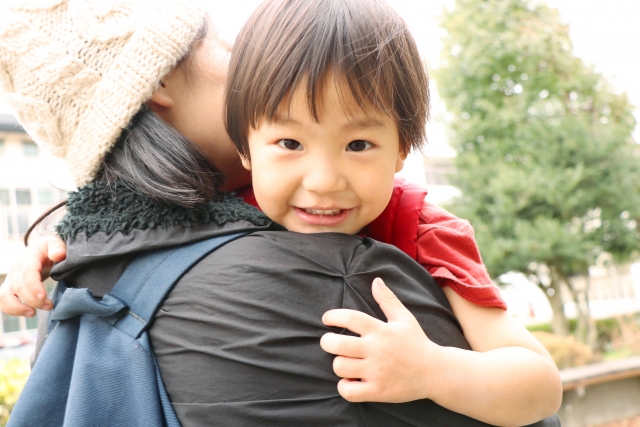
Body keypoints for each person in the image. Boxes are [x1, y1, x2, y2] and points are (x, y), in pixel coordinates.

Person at [0, 0, 561, 426]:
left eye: (359, 144)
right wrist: (48, 247)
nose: (322, 182)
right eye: (289, 143)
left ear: (402, 150)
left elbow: (538, 380)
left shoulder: (423, 228)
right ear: (247, 143)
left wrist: (436, 371)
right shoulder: (226, 218)